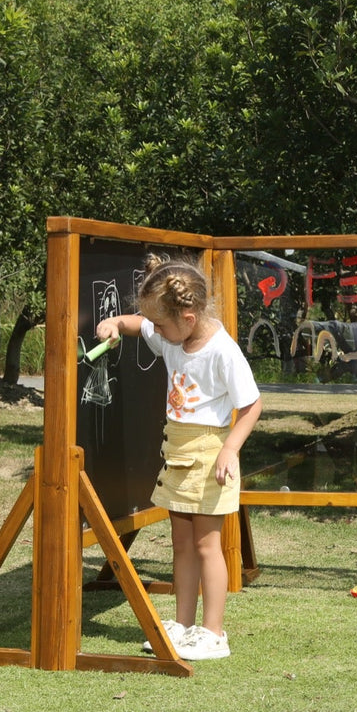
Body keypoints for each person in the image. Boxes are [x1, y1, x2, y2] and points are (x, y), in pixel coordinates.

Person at [96, 254, 262, 661]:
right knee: (182, 544)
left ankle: (214, 633)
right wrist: (115, 323)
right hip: (177, 452)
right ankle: (184, 626)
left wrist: (230, 449)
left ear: (188, 318)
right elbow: (138, 324)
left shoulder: (222, 351)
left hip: (208, 456)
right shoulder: (173, 335)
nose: (156, 331)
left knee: (207, 546)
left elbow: (252, 404)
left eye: (162, 325)